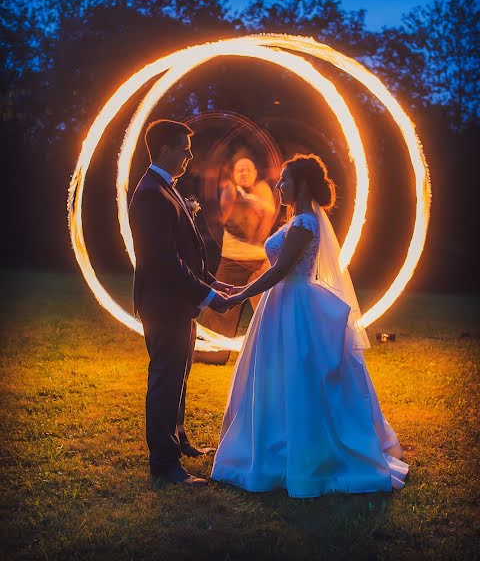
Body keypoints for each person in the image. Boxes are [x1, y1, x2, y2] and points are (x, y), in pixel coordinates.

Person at [211, 154, 409, 497]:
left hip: (293, 306)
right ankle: (281, 444)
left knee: (296, 378)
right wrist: (237, 289)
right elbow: (273, 270)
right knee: (280, 378)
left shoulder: (304, 224)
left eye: (284, 181)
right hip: (283, 304)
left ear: (301, 184)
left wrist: (240, 295)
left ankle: (297, 453)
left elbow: (279, 270)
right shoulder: (299, 222)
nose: (278, 186)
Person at [129, 119, 232, 488]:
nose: (190, 156)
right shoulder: (150, 194)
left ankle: (179, 440)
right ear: (165, 149)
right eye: (184, 148)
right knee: (165, 379)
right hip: (164, 305)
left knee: (179, 377)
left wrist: (210, 282)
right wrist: (206, 296)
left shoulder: (165, 189)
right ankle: (165, 465)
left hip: (177, 304)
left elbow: (183, 253)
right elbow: (164, 260)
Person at [194, 156, 275, 365]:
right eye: (240, 170)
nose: (244, 173)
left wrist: (251, 201)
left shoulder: (262, 189)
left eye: (248, 169)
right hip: (233, 258)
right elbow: (226, 216)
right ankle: (213, 351)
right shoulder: (230, 190)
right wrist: (238, 198)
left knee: (270, 308)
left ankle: (276, 351)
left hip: (260, 260)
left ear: (256, 172)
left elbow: (268, 213)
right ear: (234, 174)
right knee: (220, 306)